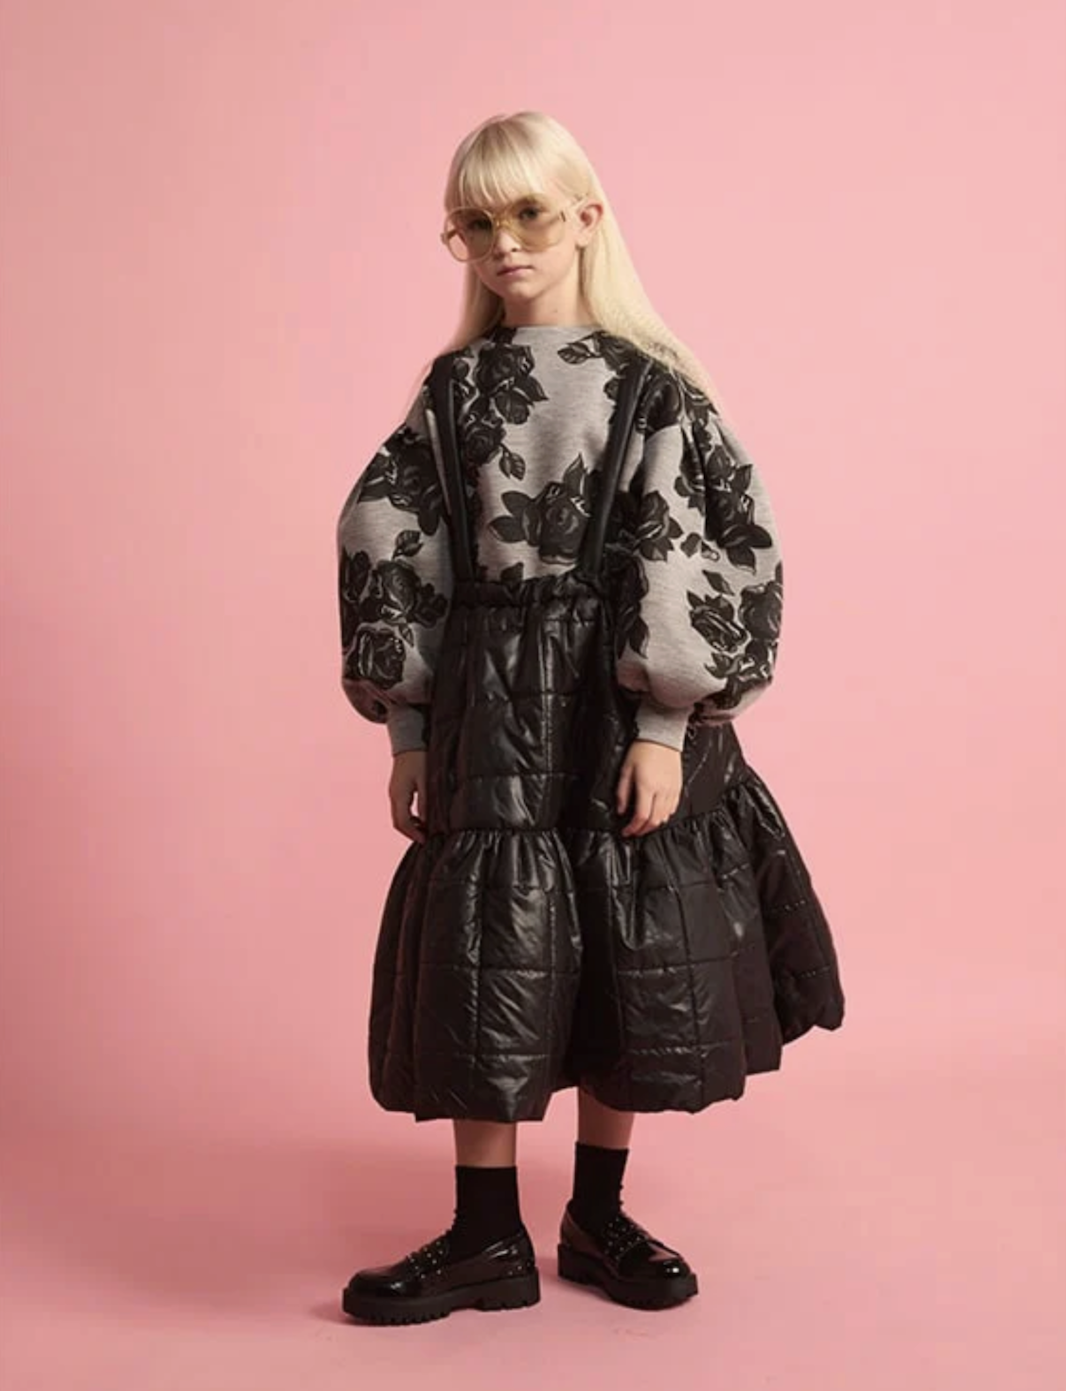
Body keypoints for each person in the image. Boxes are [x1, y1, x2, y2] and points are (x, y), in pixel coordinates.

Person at [334, 111, 845, 1326]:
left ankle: (595, 1213)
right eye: (475, 222)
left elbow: (701, 548)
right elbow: (393, 547)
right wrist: (407, 729)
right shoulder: (452, 391)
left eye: (528, 213)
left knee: (623, 929)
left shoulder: (652, 386)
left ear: (585, 218)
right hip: (490, 703)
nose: (503, 242)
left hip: (617, 702)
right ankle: (484, 1233)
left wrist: (667, 727)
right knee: (491, 945)